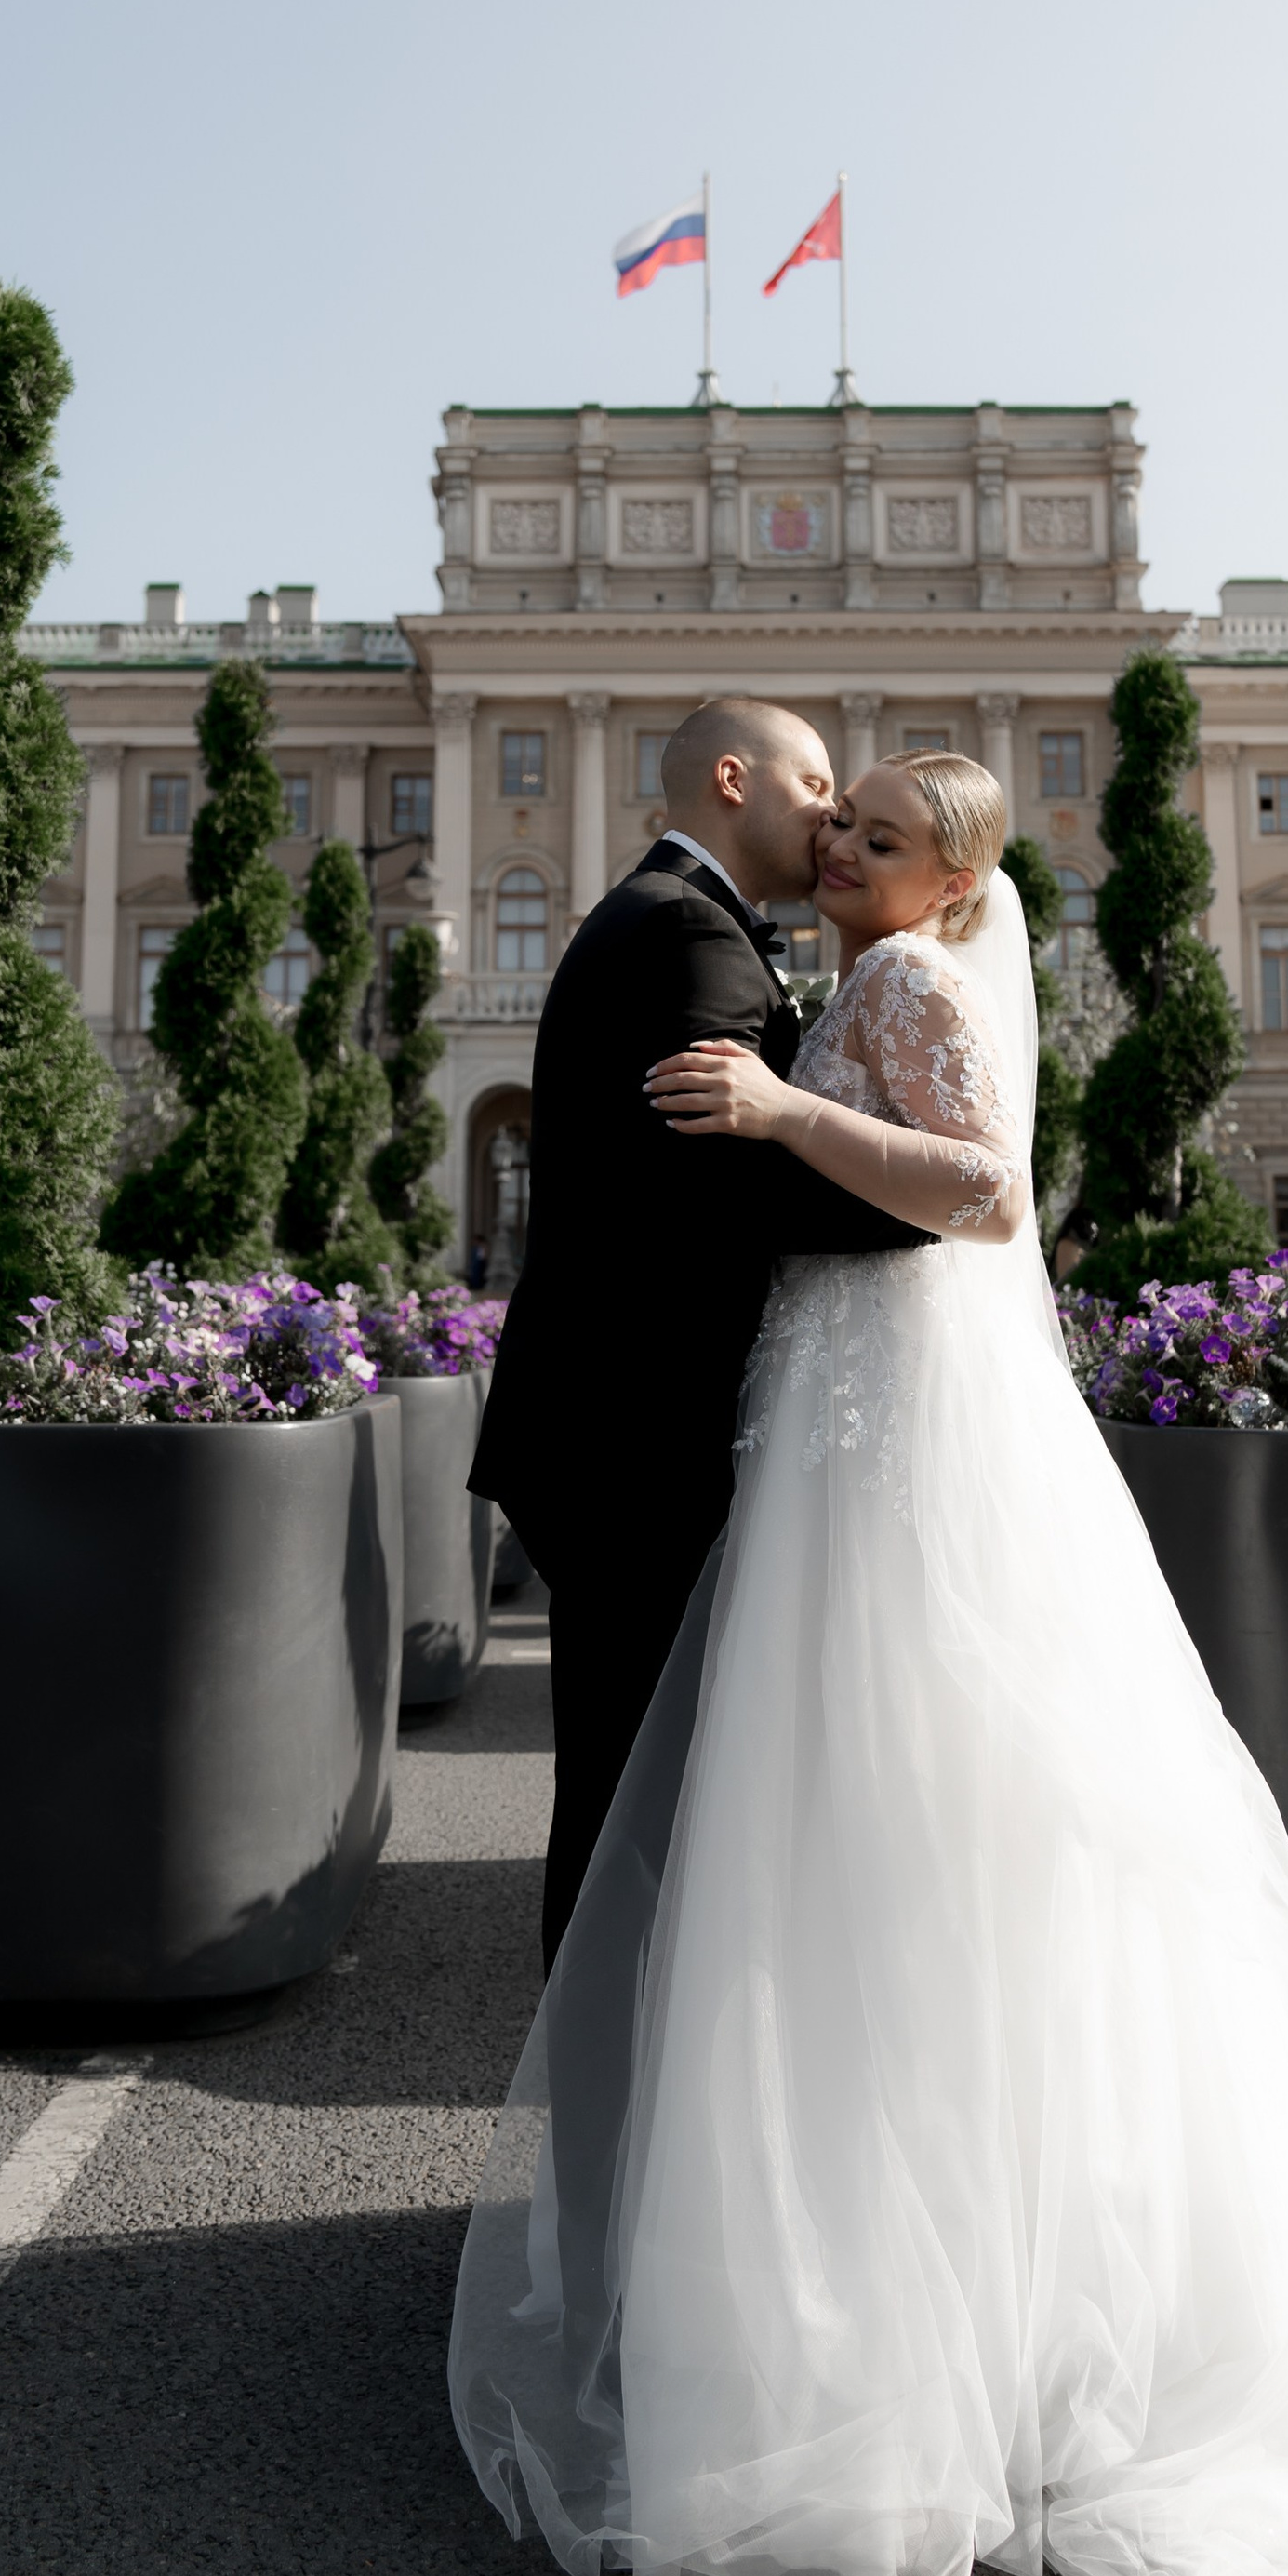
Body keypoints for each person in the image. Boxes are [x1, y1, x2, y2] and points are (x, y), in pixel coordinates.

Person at [451, 752, 1288, 2576]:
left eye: (875, 837)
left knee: (862, 1827)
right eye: (838, 820)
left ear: (949, 881)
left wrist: (785, 1109)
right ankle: (866, 2276)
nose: (839, 851)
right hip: (831, 1418)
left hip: (877, 1431)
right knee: (855, 1839)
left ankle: (859, 2302)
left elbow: (979, 1194)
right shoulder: (822, 962)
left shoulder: (896, 982)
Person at [467, 697, 932, 1967]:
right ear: (734, 780)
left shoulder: (677, 921)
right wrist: (935, 1199)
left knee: (640, 1793)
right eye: (816, 782)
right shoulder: (686, 936)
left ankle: (620, 2124)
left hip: (617, 1432)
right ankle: (617, 2131)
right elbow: (722, 1181)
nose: (835, 814)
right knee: (640, 1804)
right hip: (642, 1445)